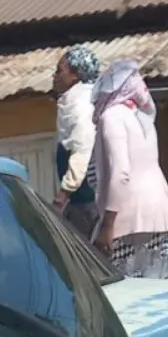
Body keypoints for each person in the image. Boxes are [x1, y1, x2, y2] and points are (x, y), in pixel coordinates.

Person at [91, 58, 168, 281]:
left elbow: (120, 173)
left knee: (126, 297)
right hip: (164, 215)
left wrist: (107, 225)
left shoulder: (111, 118)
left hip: (129, 222)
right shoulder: (142, 117)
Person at [51, 44, 100, 240]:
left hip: (86, 202)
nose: (54, 77)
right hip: (79, 200)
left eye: (59, 71)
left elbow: (82, 151)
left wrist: (61, 196)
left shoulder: (82, 106)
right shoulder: (72, 101)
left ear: (76, 75)